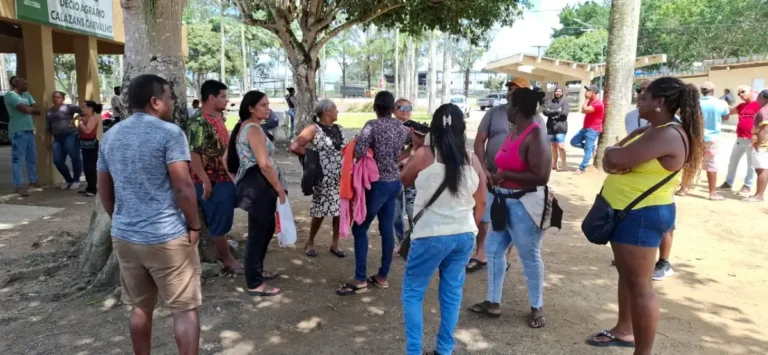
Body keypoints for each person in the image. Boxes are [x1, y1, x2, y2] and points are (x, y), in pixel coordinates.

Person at [587, 77, 703, 355]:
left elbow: (612, 159)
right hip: (632, 212)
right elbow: (613, 158)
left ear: (659, 102)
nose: (639, 100)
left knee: (641, 288)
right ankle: (624, 329)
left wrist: (617, 154)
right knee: (629, 277)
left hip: (639, 215)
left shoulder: (665, 134)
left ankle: (643, 351)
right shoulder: (657, 129)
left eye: (644, 97)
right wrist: (618, 154)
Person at [97, 74, 202, 355]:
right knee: (184, 310)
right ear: (155, 102)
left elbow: (103, 188)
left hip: (125, 237)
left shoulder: (110, 135)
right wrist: (194, 225)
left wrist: (119, 218)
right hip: (166, 237)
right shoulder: (170, 133)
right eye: (169, 97)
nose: (172, 102)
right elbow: (183, 186)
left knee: (140, 308)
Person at [399, 103, 487, 355]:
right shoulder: (472, 159)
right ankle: (445, 349)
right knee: (451, 293)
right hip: (463, 235)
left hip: (430, 235)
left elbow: (405, 179)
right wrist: (470, 227)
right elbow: (481, 201)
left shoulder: (425, 154)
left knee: (413, 293)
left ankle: (414, 350)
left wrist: (416, 149)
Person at [468, 87, 552, 329]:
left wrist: (505, 174)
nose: (506, 108)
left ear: (517, 109)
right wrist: (496, 176)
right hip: (502, 201)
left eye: (510, 104)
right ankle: (493, 301)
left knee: (529, 256)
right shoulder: (516, 131)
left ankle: (537, 307)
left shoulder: (536, 135)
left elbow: (541, 175)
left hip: (524, 205)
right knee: (494, 250)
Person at [336, 91, 409, 296]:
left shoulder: (372, 125)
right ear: (393, 108)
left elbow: (359, 150)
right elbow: (414, 145)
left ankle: (360, 279)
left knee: (360, 229)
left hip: (376, 184)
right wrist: (398, 158)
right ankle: (382, 276)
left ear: (376, 107)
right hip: (395, 182)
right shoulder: (400, 127)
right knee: (386, 228)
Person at [469, 77, 540, 273]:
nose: (510, 92)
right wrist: (483, 169)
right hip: (490, 175)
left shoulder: (536, 119)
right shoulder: (494, 112)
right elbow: (479, 141)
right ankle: (480, 253)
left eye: (515, 89)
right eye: (509, 88)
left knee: (511, 217)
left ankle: (505, 256)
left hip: (517, 179)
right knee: (483, 213)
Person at [227, 90, 286, 297]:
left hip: (255, 183)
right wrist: (279, 189)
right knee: (258, 233)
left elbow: (228, 159)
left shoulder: (246, 127)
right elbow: (264, 165)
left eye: (268, 104)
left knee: (265, 229)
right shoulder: (252, 129)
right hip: (259, 185)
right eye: (263, 104)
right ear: (251, 108)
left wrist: (239, 180)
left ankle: (257, 272)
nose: (267, 108)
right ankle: (254, 282)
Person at [185, 80, 243, 274]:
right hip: (212, 180)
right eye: (223, 96)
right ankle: (227, 260)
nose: (227, 100)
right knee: (218, 218)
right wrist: (205, 181)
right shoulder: (198, 122)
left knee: (225, 213)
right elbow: (194, 154)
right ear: (211, 98)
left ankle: (224, 250)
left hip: (224, 176)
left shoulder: (217, 117)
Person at [290, 99, 346, 258]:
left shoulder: (339, 129)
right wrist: (314, 159)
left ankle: (335, 243)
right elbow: (295, 147)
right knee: (320, 210)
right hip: (323, 177)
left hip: (340, 176)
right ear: (326, 111)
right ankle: (310, 241)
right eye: (335, 108)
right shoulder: (313, 129)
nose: (337, 111)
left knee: (339, 210)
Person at [685, 81, 730, 200]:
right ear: (713, 90)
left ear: (701, 91)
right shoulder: (721, 103)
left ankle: (683, 188)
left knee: (691, 161)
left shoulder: (695, 103)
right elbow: (725, 118)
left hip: (695, 136)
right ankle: (712, 193)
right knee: (711, 164)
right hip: (713, 138)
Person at [718, 86, 759, 195]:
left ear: (751, 91)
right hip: (740, 138)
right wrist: (720, 105)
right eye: (739, 93)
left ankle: (747, 185)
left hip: (752, 139)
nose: (740, 94)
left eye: (743, 91)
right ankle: (728, 182)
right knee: (733, 161)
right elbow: (729, 112)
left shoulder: (758, 105)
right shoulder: (741, 106)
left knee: (751, 164)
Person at [4, 76, 41, 196]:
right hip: (17, 131)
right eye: (24, 83)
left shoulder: (26, 94)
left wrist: (29, 109)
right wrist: (29, 109)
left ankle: (33, 180)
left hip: (29, 130)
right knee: (18, 160)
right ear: (16, 84)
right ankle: (18, 185)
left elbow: (38, 110)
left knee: (32, 158)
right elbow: (25, 110)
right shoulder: (10, 95)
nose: (27, 85)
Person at [47, 91, 83, 190]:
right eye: (54, 97)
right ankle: (68, 180)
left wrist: (76, 120)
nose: (55, 99)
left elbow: (83, 110)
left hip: (70, 135)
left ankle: (76, 180)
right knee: (57, 160)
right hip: (57, 137)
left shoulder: (68, 107)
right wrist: (48, 140)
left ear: (63, 99)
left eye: (58, 97)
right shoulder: (50, 111)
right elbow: (49, 127)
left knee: (74, 157)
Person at [571, 85, 605, 174]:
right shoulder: (591, 101)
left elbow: (584, 109)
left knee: (587, 150)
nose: (586, 92)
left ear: (593, 92)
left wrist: (586, 99)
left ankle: (582, 168)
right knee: (573, 142)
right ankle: (591, 148)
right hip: (585, 128)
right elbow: (583, 110)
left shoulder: (598, 103)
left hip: (593, 129)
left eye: (588, 91)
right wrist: (587, 101)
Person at [745, 89, 768, 202]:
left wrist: (758, 144)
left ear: (762, 96)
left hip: (763, 145)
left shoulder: (764, 111)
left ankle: (759, 195)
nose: (757, 99)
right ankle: (759, 194)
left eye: (758, 96)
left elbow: (764, 129)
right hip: (764, 144)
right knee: (762, 169)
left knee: (761, 169)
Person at [78, 100, 103, 197]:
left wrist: (80, 123)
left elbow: (88, 130)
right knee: (87, 167)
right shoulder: (84, 118)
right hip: (84, 144)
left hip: (91, 144)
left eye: (84, 107)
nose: (82, 109)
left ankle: (94, 188)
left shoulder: (92, 118)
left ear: (90, 108)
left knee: (91, 167)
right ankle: (89, 186)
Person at [543, 87, 569, 171]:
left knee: (560, 146)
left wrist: (551, 111)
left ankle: (564, 165)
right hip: (550, 127)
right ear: (554, 92)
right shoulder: (549, 102)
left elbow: (564, 113)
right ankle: (554, 164)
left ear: (562, 93)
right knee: (553, 146)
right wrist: (558, 110)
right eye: (556, 91)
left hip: (561, 127)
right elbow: (545, 112)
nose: (558, 92)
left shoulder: (564, 101)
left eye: (559, 91)